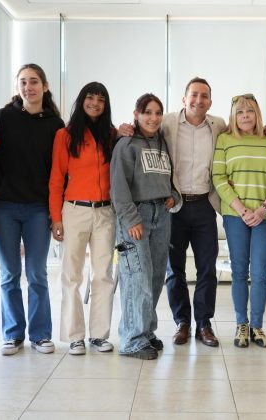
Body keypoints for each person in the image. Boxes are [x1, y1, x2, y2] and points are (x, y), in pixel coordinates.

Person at [0, 64, 65, 356]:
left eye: (34, 81)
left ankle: (40, 334)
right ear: (17, 86)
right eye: (23, 82)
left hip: (37, 208)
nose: (28, 87)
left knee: (36, 273)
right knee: (9, 273)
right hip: (4, 206)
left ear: (45, 86)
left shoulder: (55, 125)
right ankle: (12, 334)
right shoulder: (3, 117)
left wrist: (54, 211)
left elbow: (60, 172)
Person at [49, 82, 117, 355]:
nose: (95, 103)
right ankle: (75, 335)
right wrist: (56, 218)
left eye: (101, 99)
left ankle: (99, 335)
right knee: (72, 275)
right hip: (74, 210)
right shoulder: (64, 136)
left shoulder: (112, 136)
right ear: (82, 100)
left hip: (105, 212)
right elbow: (56, 179)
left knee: (103, 275)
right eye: (90, 98)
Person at [110, 93, 179, 360]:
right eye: (147, 112)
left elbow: (168, 176)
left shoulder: (162, 143)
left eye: (158, 112)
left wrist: (172, 193)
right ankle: (131, 339)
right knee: (135, 278)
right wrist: (130, 220)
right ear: (137, 114)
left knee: (154, 276)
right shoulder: (126, 144)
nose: (153, 118)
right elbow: (118, 186)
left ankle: (146, 331)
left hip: (161, 214)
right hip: (135, 216)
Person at [213, 93, 266, 349]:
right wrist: (243, 210)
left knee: (260, 274)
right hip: (236, 216)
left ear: (257, 114)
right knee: (240, 272)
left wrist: (264, 208)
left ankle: (257, 327)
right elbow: (219, 177)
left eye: (250, 111)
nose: (245, 116)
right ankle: (241, 324)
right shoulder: (224, 140)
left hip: (263, 216)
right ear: (233, 116)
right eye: (240, 112)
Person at [163, 77, 226, 347]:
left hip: (204, 205)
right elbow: (144, 129)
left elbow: (246, 130)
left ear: (210, 102)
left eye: (204, 96)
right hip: (174, 206)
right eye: (193, 95)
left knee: (206, 268)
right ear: (184, 98)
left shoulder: (219, 125)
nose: (198, 100)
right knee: (174, 269)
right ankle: (182, 322)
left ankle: (204, 323)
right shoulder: (167, 122)